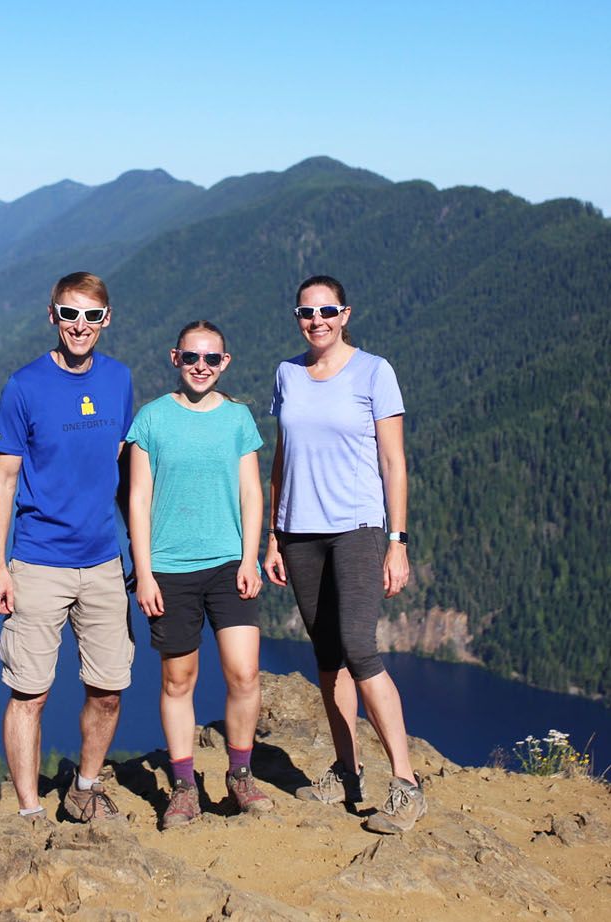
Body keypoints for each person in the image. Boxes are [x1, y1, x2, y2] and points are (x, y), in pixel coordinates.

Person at [263, 275, 424, 834]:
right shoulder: (287, 374)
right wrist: (273, 535)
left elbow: (394, 463)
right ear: (297, 317)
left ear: (346, 313)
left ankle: (405, 784)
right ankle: (347, 771)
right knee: (328, 655)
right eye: (307, 312)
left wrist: (397, 542)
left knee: (359, 648)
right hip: (299, 533)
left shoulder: (375, 372)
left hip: (356, 528)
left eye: (327, 310)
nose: (317, 320)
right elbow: (282, 456)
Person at [0, 271, 134, 822]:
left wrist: (138, 558)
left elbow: (124, 473)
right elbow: (2, 480)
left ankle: (84, 789)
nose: (80, 326)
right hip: (38, 562)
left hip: (102, 563)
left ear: (106, 320)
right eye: (69, 314)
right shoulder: (23, 386)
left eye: (91, 316)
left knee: (110, 689)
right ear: (52, 316)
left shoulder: (119, 380)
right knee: (30, 694)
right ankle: (28, 813)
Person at [127, 321, 271, 828]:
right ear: (175, 358)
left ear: (225, 362)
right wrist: (143, 574)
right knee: (178, 679)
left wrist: (250, 558)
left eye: (211, 359)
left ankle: (239, 775)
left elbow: (252, 492)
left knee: (244, 673)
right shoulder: (151, 419)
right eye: (192, 358)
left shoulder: (237, 418)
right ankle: (184, 784)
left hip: (229, 564)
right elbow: (138, 499)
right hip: (169, 568)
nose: (201, 367)